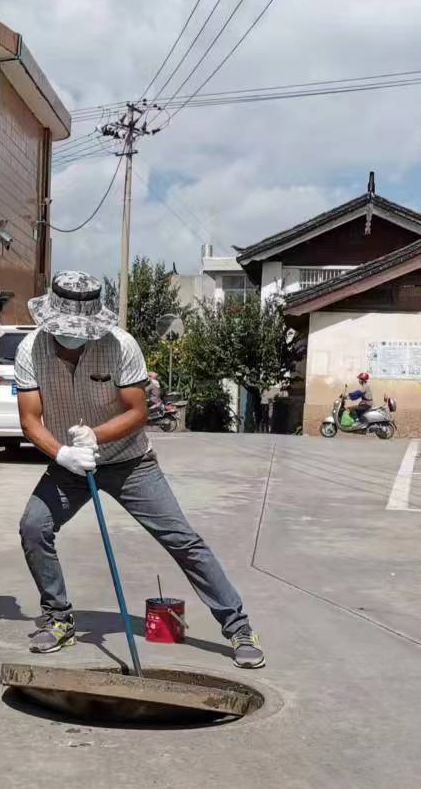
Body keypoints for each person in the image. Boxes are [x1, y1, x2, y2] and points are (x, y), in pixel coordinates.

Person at [14, 272, 266, 669]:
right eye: (64, 330)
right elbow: (30, 421)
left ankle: (238, 626)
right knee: (34, 526)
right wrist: (63, 454)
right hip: (70, 464)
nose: (72, 338)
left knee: (182, 539)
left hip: (131, 463)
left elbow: (138, 411)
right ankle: (59, 617)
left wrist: (94, 435)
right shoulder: (30, 350)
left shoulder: (120, 345)